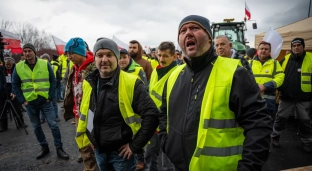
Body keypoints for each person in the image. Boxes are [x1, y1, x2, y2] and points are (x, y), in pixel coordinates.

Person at [158, 15, 271, 171]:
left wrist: (248, 167)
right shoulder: (173, 76)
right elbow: (164, 114)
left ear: (210, 38)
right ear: (179, 41)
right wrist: (166, 142)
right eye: (183, 30)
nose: (188, 32)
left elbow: (259, 125)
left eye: (195, 28)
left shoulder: (235, 73)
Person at [76, 38, 159, 171]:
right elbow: (88, 112)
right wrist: (92, 138)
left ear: (117, 57)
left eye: (109, 55)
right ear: (94, 58)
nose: (104, 59)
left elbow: (152, 115)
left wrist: (134, 146)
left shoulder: (131, 82)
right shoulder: (89, 82)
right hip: (99, 151)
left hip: (121, 155)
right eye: (100, 55)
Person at [12, 43, 69, 160]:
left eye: (29, 51)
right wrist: (23, 100)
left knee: (53, 125)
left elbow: (53, 80)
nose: (27, 53)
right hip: (30, 102)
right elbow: (15, 85)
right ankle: (44, 147)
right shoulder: (18, 67)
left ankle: (59, 148)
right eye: (25, 51)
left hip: (45, 101)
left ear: (34, 52)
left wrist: (50, 96)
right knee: (36, 127)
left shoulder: (45, 63)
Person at [272, 38, 312, 152]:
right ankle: (275, 137)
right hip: (286, 96)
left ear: (303, 46)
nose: (296, 48)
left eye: (299, 45)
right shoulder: (285, 59)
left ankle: (307, 142)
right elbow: (278, 75)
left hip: (304, 97)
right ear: (291, 48)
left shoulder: (310, 58)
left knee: (305, 121)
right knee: (280, 118)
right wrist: (280, 89)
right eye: (294, 46)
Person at [63, 38, 97, 169]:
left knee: (95, 144)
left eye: (71, 53)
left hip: (92, 114)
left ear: (81, 52)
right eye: (67, 53)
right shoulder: (74, 67)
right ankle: (89, 168)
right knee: (82, 144)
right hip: (78, 114)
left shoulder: (94, 67)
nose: (69, 56)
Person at [146, 41, 178, 171]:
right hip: (153, 122)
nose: (161, 59)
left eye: (165, 56)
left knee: (168, 161)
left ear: (174, 56)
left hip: (169, 125)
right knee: (149, 154)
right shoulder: (155, 71)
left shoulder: (179, 74)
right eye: (159, 55)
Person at [250, 41, 285, 119]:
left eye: (266, 49)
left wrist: (265, 86)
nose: (263, 50)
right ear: (258, 50)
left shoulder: (275, 63)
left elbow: (280, 77)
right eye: (261, 48)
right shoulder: (250, 63)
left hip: (268, 103)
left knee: (267, 127)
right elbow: (243, 79)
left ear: (269, 52)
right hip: (251, 102)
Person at [0, 57, 28, 132]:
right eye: (7, 64)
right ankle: (3, 126)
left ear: (13, 64)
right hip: (3, 91)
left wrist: (14, 91)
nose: (8, 66)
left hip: (13, 91)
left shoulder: (16, 69)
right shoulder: (1, 70)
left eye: (10, 65)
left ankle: (20, 123)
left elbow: (16, 82)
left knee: (17, 108)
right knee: (2, 109)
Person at [39, 53, 60, 123]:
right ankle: (42, 117)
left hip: (52, 88)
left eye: (46, 59)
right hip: (43, 89)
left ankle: (56, 116)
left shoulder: (53, 67)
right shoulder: (38, 69)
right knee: (42, 103)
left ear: (48, 60)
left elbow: (57, 77)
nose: (45, 61)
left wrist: (55, 86)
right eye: (43, 60)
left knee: (54, 103)